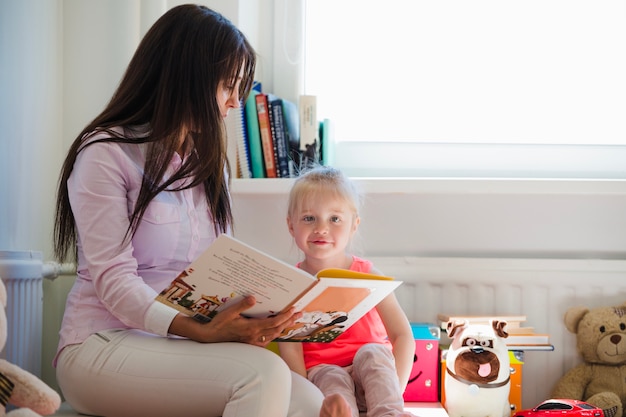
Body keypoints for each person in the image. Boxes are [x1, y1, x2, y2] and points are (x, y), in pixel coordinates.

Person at [52, 5, 342, 417]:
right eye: (228, 86)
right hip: (102, 343)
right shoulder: (105, 153)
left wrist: (254, 316)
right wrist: (199, 332)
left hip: (177, 343)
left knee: (309, 402)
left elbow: (209, 270)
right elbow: (114, 281)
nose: (235, 103)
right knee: (263, 376)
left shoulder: (208, 165)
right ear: (188, 77)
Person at [278, 166, 418, 417]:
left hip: (374, 377)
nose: (321, 228)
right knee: (331, 376)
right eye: (309, 218)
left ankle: (390, 413)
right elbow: (290, 348)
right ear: (290, 226)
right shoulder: (291, 284)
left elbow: (402, 335)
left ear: (354, 226)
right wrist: (307, 398)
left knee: (373, 352)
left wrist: (395, 390)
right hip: (323, 375)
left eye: (334, 219)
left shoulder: (368, 274)